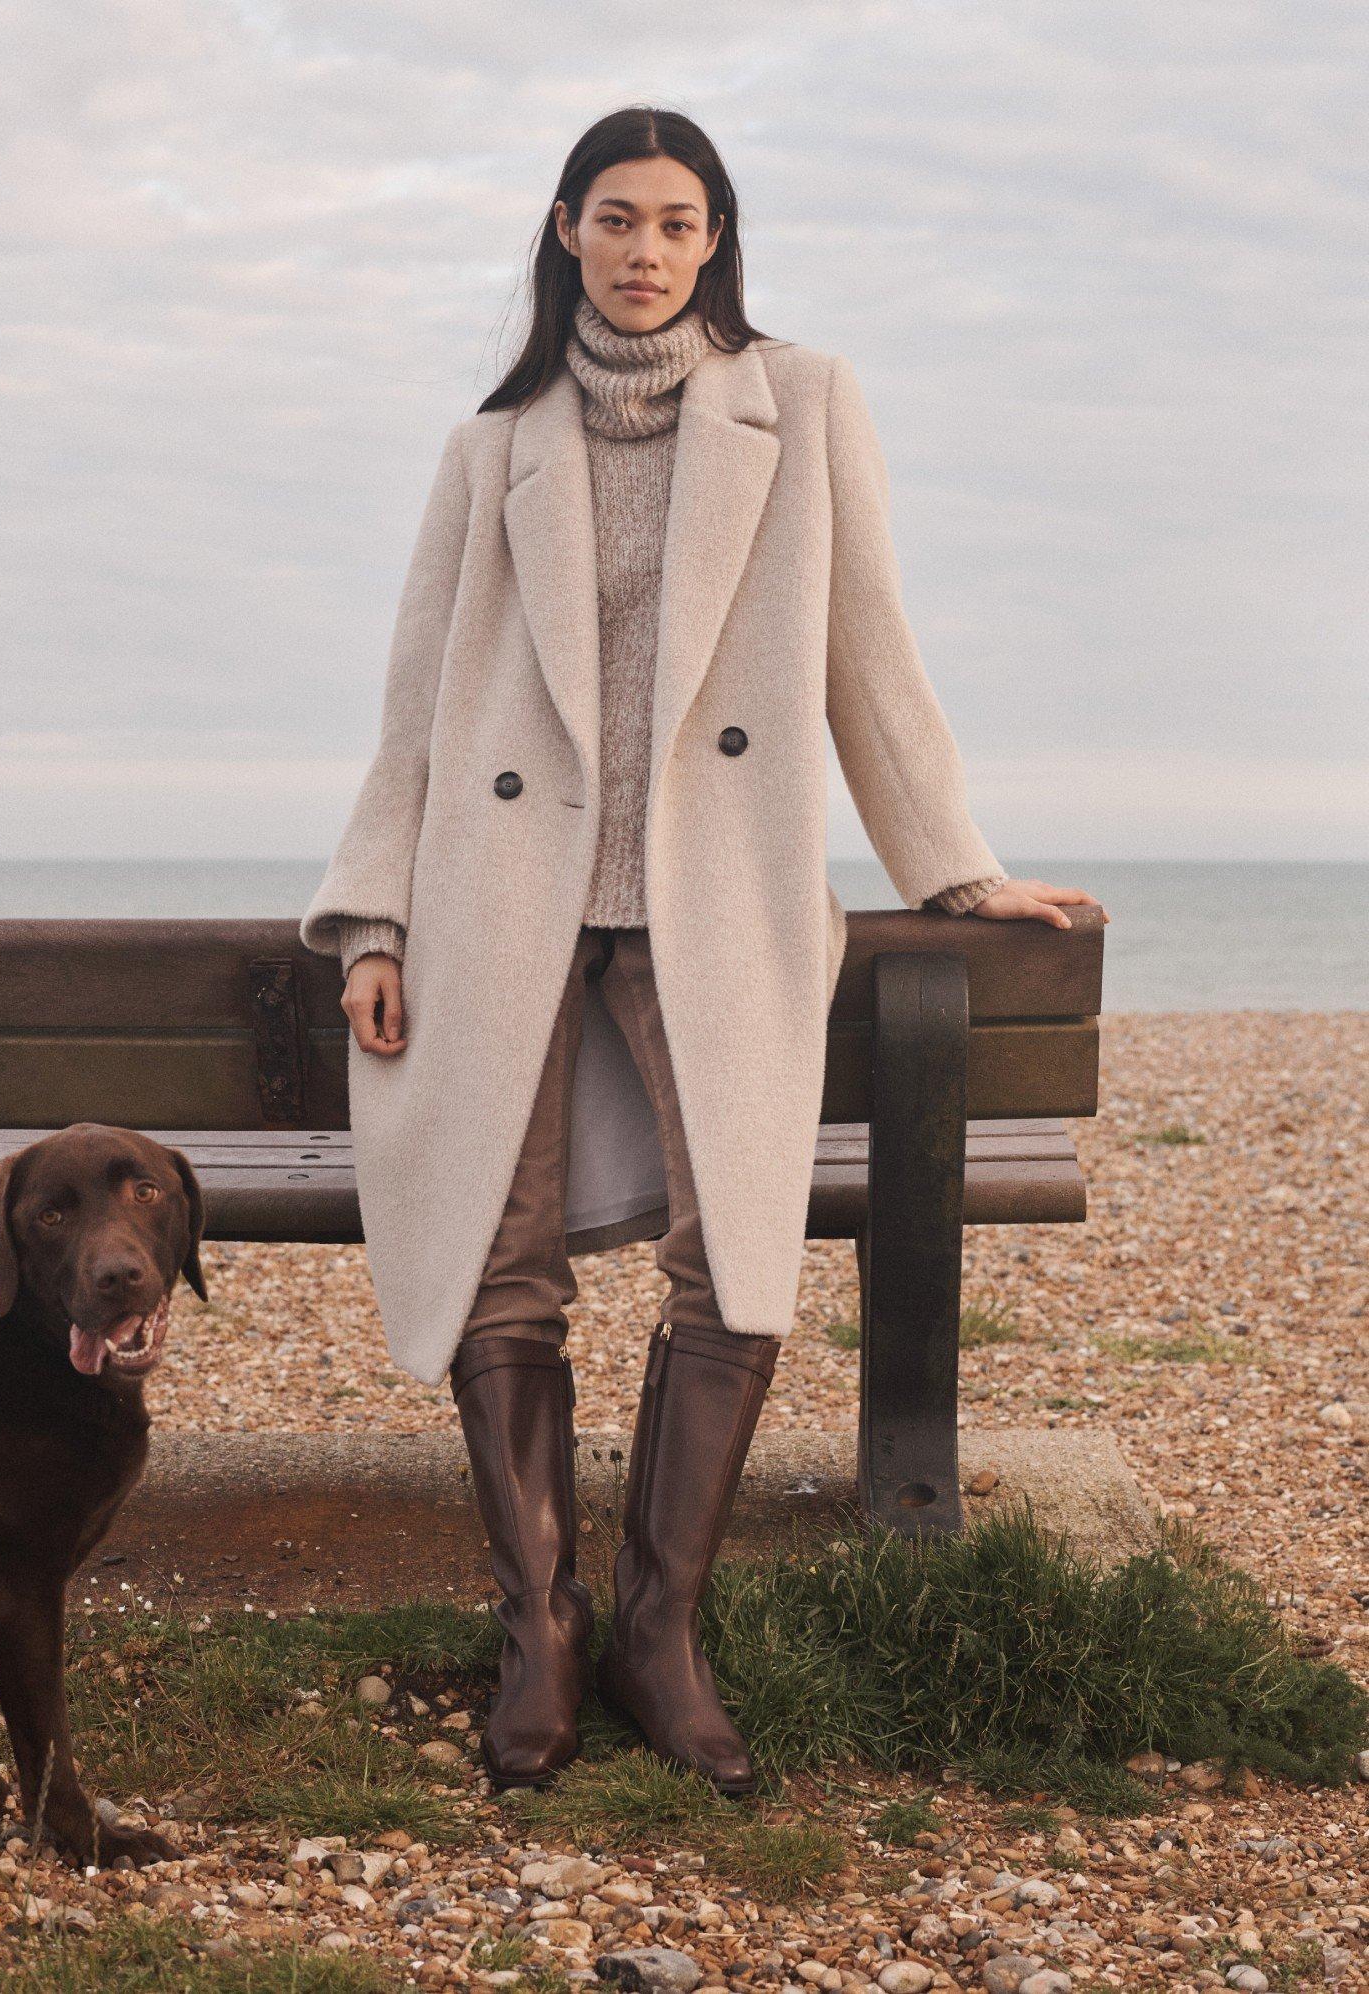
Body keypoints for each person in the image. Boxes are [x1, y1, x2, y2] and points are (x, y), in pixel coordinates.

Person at [300, 105, 1106, 1796]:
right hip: (503, 893)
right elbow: (413, 712)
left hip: (712, 897)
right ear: (568, 232)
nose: (648, 249)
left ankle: (664, 1628)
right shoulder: (493, 442)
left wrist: (953, 866)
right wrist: (373, 916)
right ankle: (543, 1626)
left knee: (734, 1255)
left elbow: (865, 651)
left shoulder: (797, 406)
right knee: (494, 1254)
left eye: (680, 221)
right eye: (618, 219)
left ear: (717, 239)